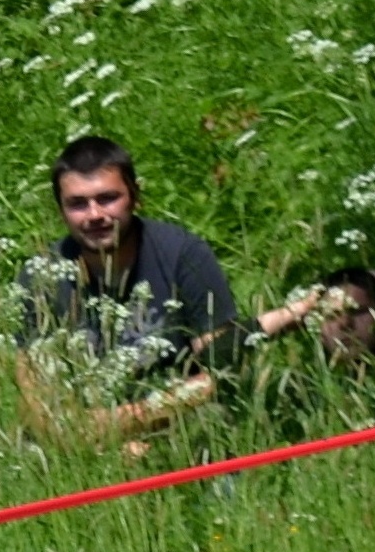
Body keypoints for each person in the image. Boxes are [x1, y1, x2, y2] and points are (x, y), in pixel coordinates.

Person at [15, 135, 242, 451]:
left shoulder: (184, 256)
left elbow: (222, 373)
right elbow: (44, 412)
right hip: (85, 446)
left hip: (180, 426)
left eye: (107, 198)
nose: (94, 214)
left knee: (214, 422)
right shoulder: (41, 278)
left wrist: (134, 423)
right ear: (60, 211)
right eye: (78, 204)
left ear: (136, 197)